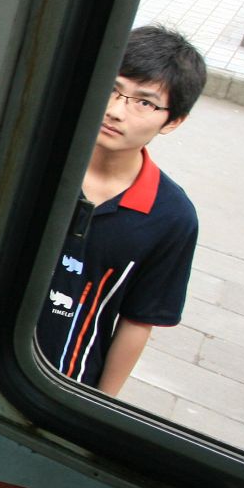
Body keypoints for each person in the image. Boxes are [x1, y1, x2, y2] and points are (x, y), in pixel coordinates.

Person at [36, 25, 207, 396]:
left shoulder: (171, 217)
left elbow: (137, 322)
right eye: (112, 89)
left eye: (143, 103)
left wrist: (100, 404)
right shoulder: (37, 162)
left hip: (66, 387)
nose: (115, 111)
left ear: (173, 121)